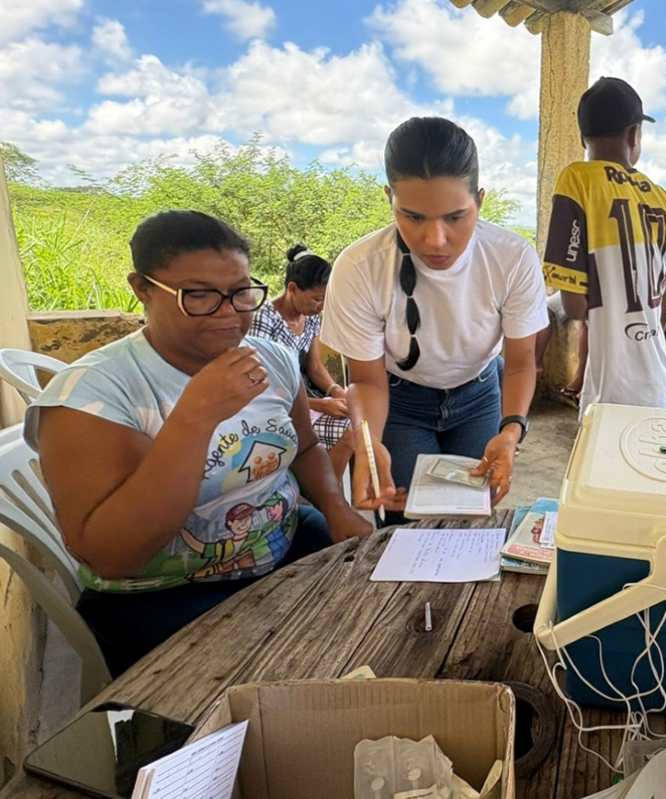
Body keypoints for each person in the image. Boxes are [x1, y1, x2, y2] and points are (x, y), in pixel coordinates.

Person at [28, 210, 370, 676]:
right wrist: (196, 415)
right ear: (142, 288)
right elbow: (112, 554)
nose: (229, 313)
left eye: (241, 293)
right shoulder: (93, 396)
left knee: (382, 619)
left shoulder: (271, 357)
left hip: (283, 542)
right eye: (201, 295)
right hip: (165, 592)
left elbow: (305, 448)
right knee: (282, 688)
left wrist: (335, 507)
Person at [321, 117, 548, 518]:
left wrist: (511, 431)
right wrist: (368, 439)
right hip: (398, 401)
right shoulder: (360, 267)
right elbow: (366, 380)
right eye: (413, 217)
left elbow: (519, 364)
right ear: (388, 198)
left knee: (473, 517)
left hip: (479, 395)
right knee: (405, 521)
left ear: (480, 199)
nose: (435, 240)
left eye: (455, 217)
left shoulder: (512, 257)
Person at [543, 76, 666, 417]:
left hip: (609, 390)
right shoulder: (665, 200)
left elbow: (575, 306)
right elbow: (664, 304)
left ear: (581, 136)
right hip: (658, 382)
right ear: (634, 134)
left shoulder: (578, 180)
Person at [249, 244, 354, 473]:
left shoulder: (312, 317)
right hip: (273, 405)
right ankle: (324, 494)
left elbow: (315, 366)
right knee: (347, 432)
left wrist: (336, 391)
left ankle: (327, 492)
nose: (321, 306)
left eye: (325, 300)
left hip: (304, 398)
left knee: (356, 424)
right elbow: (260, 384)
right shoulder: (264, 318)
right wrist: (320, 405)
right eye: (316, 299)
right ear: (292, 288)